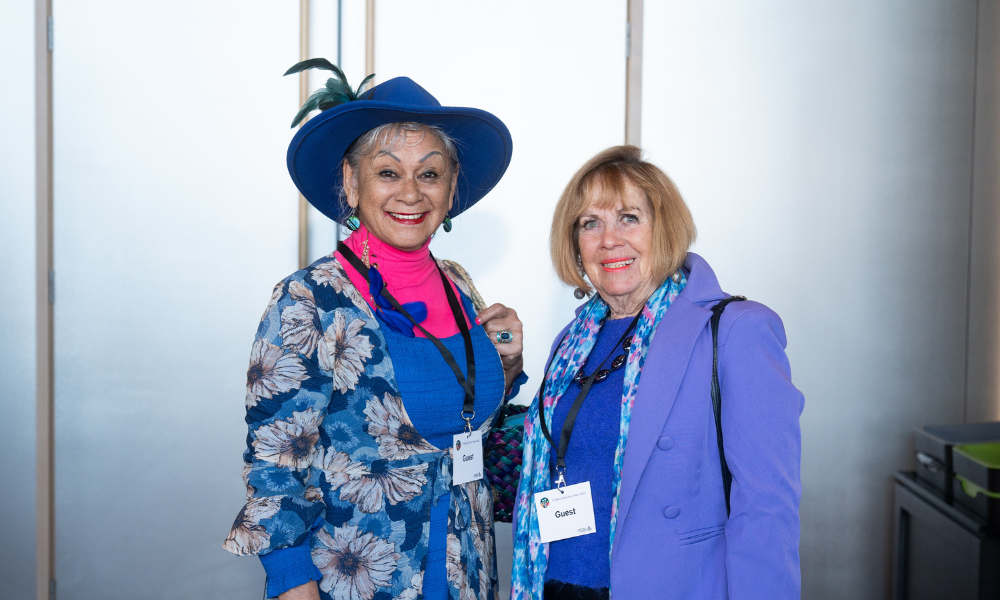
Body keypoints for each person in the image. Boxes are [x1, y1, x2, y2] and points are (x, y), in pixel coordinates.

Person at [224, 63, 527, 600]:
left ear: (451, 188)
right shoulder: (309, 300)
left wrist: (507, 364)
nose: (410, 193)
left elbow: (460, 421)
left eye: (429, 174)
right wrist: (292, 584)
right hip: (354, 581)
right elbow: (275, 467)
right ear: (350, 181)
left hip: (468, 573)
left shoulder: (459, 284)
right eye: (388, 172)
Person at [511, 145, 803, 599]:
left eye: (628, 218)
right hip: (556, 584)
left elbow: (767, 510)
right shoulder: (572, 341)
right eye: (590, 223)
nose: (609, 240)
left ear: (664, 228)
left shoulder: (736, 330)